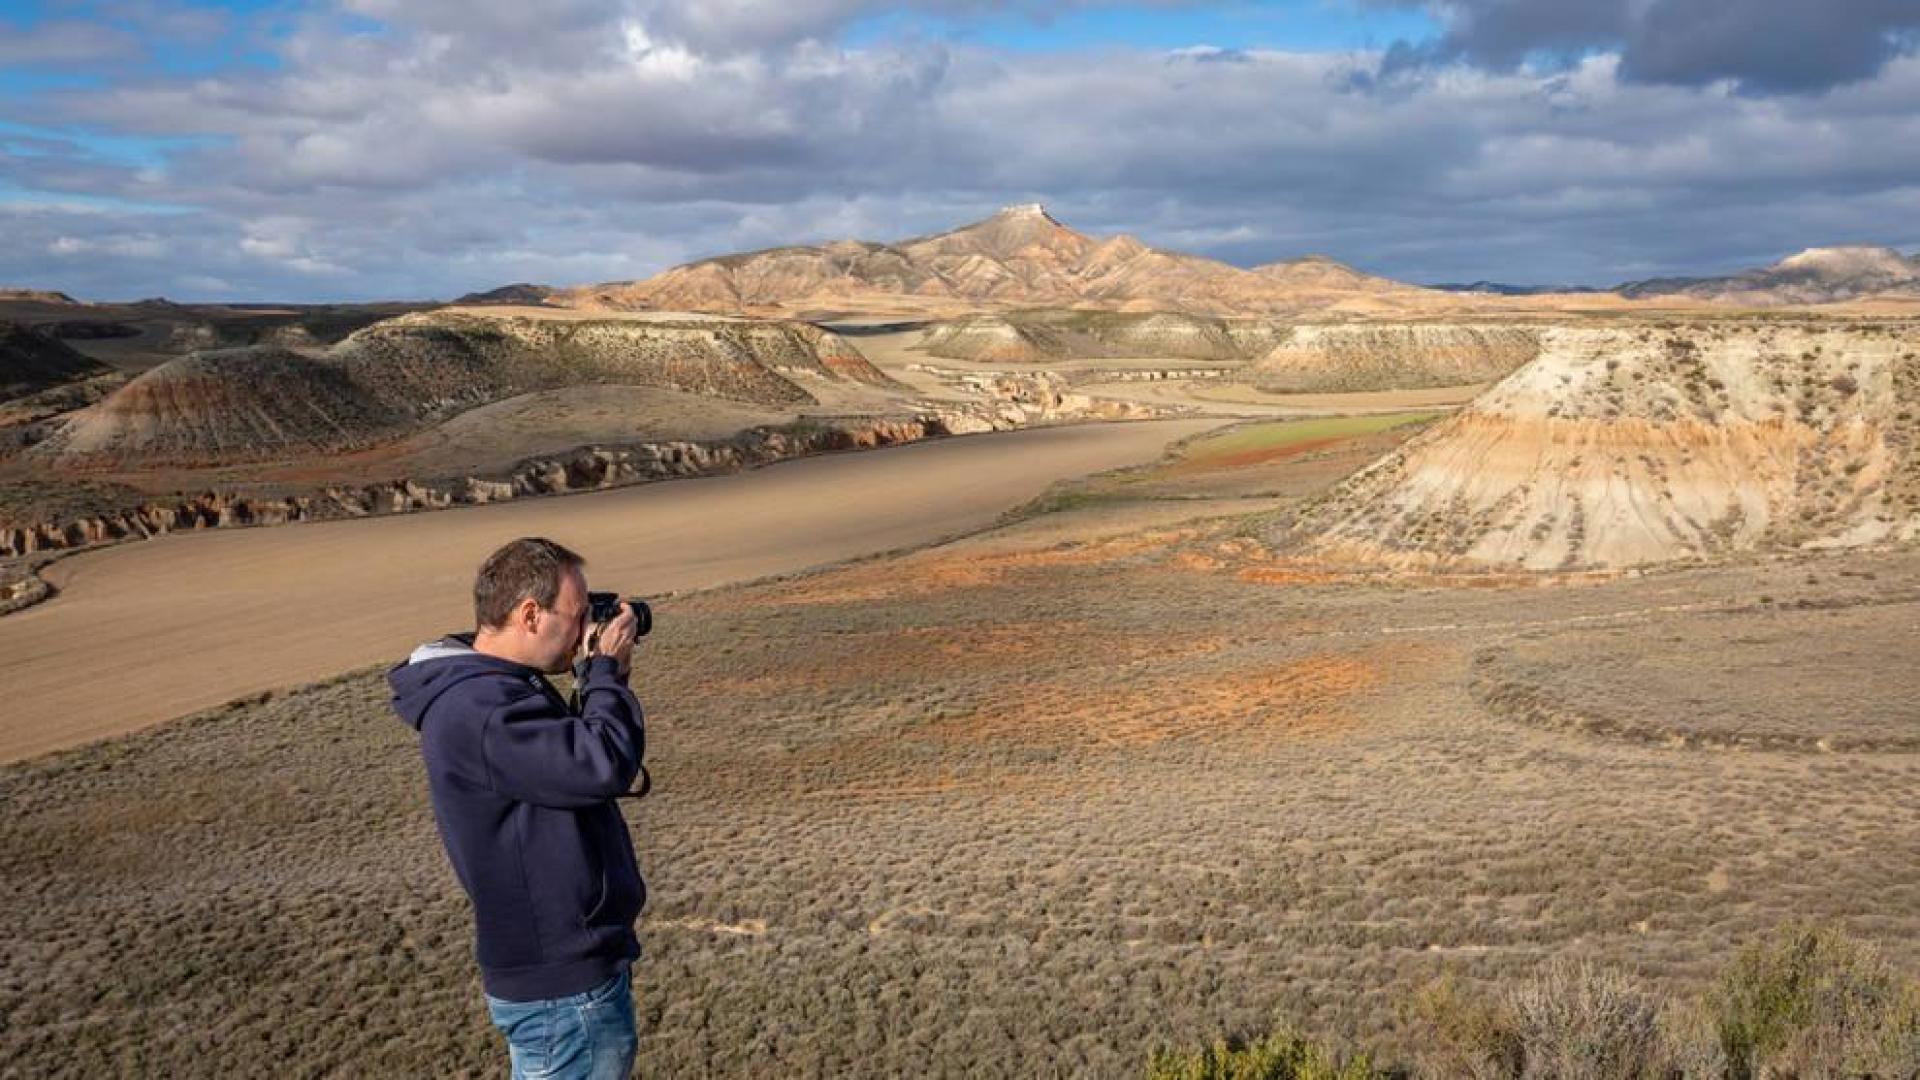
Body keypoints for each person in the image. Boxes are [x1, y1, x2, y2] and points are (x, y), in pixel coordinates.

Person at [388, 536, 647, 1079]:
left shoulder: (491, 689)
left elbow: (567, 770)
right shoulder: (480, 707)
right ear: (530, 614)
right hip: (562, 985)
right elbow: (599, 763)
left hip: (561, 976)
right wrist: (603, 673)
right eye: (577, 617)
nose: (583, 633)